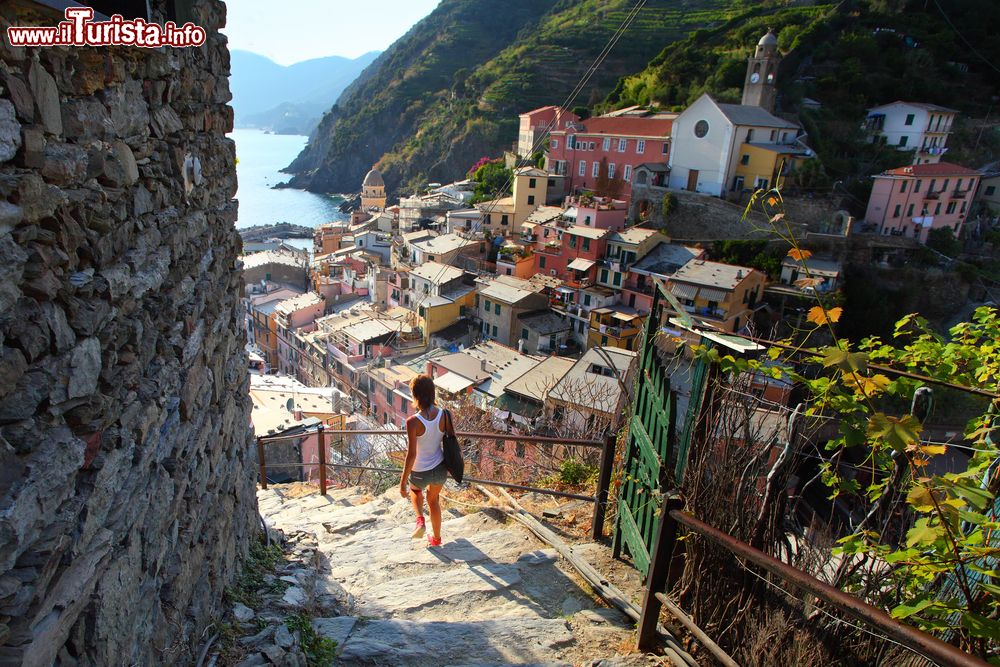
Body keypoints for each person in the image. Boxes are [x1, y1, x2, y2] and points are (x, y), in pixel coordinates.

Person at [400, 374, 450, 547]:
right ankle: (436, 539)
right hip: (440, 468)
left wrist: (402, 481)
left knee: (415, 491)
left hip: (420, 470)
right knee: (434, 501)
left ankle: (420, 521)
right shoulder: (444, 415)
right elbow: (450, 441)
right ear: (432, 392)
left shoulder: (413, 422)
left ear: (415, 395)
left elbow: (412, 454)